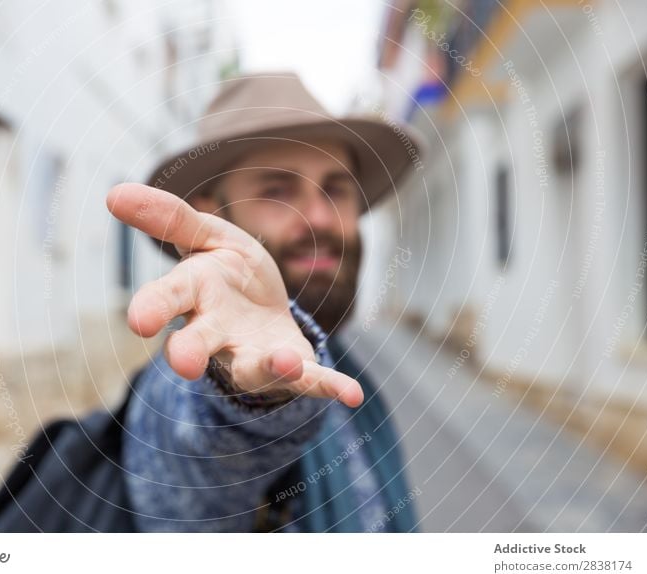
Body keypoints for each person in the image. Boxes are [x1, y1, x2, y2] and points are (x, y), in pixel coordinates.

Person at [105, 72, 423, 532]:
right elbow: (202, 452)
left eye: (335, 189)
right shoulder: (179, 386)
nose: (318, 219)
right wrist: (258, 393)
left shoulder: (352, 377)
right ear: (210, 212)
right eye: (277, 191)